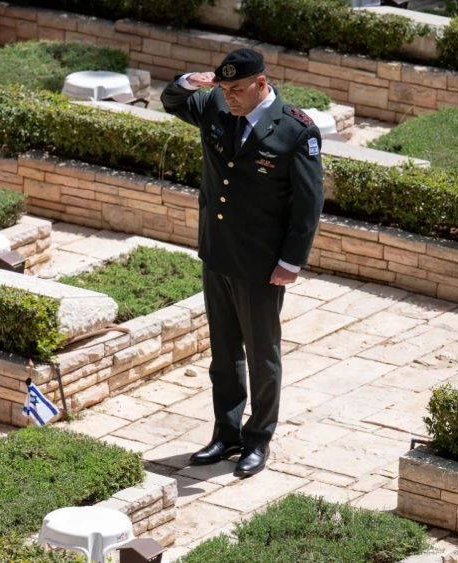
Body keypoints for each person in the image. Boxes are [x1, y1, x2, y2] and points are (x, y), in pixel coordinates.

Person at [161, 49, 324, 478]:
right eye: (224, 88)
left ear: (261, 84)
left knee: (262, 355)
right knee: (224, 352)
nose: (228, 97)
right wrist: (191, 80)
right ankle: (226, 433)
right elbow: (172, 100)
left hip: (261, 261)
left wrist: (291, 262)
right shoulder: (215, 102)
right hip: (218, 251)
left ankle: (258, 439)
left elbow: (308, 205)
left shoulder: (295, 130)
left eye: (236, 89)